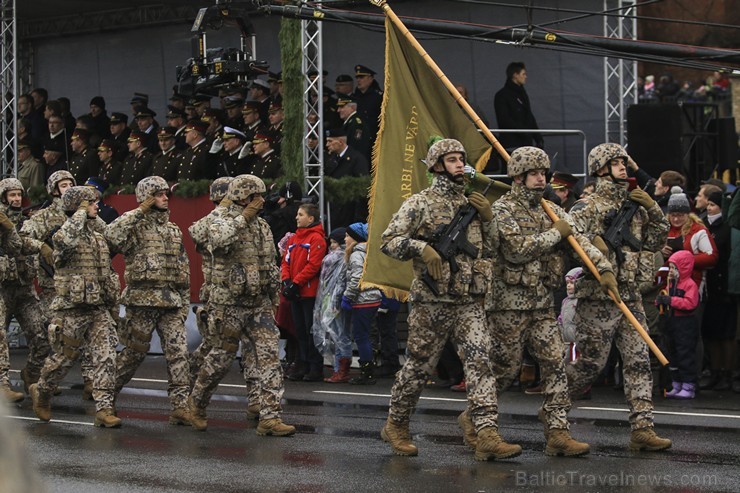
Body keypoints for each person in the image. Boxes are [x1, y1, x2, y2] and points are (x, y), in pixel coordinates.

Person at [380, 138, 520, 460]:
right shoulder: (421, 203)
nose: (460, 164)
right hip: (432, 300)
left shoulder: (472, 203)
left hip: (468, 301)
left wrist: (489, 219)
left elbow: (498, 247)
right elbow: (389, 241)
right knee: (418, 367)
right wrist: (421, 248)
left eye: (462, 158)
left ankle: (486, 433)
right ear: (437, 166)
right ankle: (396, 424)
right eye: (453, 160)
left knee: (481, 362)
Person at [488, 146, 614, 457]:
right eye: (533, 173)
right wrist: (554, 235)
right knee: (505, 369)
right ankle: (479, 422)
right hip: (508, 305)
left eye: (543, 173)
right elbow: (516, 250)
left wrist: (603, 267)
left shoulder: (552, 210)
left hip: (542, 303)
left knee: (556, 363)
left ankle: (558, 431)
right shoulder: (502, 210)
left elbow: (580, 242)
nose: (540, 178)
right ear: (517, 177)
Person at [566, 143, 672, 451]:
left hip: (630, 295)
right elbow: (573, 243)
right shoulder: (586, 207)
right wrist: (595, 249)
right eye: (616, 163)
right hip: (599, 298)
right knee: (590, 365)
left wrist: (653, 209)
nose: (623, 167)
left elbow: (653, 242)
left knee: (639, 361)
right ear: (600, 169)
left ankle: (643, 427)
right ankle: (555, 412)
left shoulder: (634, 206)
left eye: (624, 162)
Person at [188, 175, 295, 436]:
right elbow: (218, 241)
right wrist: (243, 217)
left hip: (258, 304)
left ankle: (269, 417)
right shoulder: (219, 220)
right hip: (229, 305)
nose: (260, 201)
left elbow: (269, 264)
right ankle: (197, 403)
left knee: (270, 358)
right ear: (243, 197)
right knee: (221, 359)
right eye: (255, 196)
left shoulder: (262, 226)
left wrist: (272, 300)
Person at [29, 186, 121, 427]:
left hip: (97, 307)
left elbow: (114, 236)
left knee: (106, 356)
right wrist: (80, 211)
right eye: (91, 203)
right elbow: (65, 240)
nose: (96, 207)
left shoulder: (96, 234)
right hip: (71, 308)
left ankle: (104, 408)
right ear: (78, 207)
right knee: (64, 358)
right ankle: (42, 391)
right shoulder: (63, 233)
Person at [105, 176, 192, 425]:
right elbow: (111, 236)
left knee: (179, 354)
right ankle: (105, 400)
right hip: (141, 303)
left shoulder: (172, 230)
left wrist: (184, 303)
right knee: (133, 355)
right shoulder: (134, 227)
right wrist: (138, 211)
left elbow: (183, 268)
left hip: (171, 303)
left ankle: (180, 407)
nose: (166, 198)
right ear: (146, 198)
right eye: (159, 194)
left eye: (166, 194)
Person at [281, 203, 327, 382]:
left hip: (309, 293)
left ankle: (315, 367)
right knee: (299, 330)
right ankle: (302, 364)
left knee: (310, 331)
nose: (296, 217)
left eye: (300, 214)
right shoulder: (293, 239)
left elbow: (313, 265)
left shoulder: (317, 239)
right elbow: (286, 261)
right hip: (295, 292)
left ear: (311, 218)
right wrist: (286, 281)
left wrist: (296, 283)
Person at [699, 189, 736, 391]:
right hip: (710, 285)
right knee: (712, 333)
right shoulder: (704, 226)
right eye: (710, 205)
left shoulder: (727, 228)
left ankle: (727, 373)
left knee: (726, 334)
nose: (710, 209)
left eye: (714, 206)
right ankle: (715, 371)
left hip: (724, 286)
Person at [342, 222, 382, 385]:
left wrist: (347, 297)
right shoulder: (368, 253)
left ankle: (367, 373)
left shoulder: (357, 254)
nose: (345, 239)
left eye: (347, 236)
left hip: (362, 300)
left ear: (355, 238)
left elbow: (357, 278)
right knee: (366, 335)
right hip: (373, 298)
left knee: (361, 336)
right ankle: (369, 368)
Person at [656, 250, 700, 399]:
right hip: (672, 321)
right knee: (672, 353)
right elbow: (665, 296)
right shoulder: (671, 284)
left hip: (685, 323)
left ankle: (689, 384)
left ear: (684, 268)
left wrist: (671, 301)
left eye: (675, 268)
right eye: (671, 268)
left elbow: (691, 303)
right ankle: (676, 383)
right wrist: (660, 301)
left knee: (685, 353)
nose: (672, 271)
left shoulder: (690, 285)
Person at [661, 189, 718, 299]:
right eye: (673, 215)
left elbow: (712, 257)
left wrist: (685, 260)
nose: (676, 219)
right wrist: (661, 253)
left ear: (688, 214)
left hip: (693, 287)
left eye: (680, 215)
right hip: (667, 287)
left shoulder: (698, 230)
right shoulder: (663, 230)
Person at [314, 227, 351, 383]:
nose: (332, 246)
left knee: (340, 335)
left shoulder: (338, 259)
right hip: (334, 300)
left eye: (335, 242)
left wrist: (334, 301)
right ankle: (338, 369)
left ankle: (341, 370)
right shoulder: (340, 258)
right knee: (338, 335)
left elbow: (340, 283)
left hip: (336, 301)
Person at [494, 62, 543, 151]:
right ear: (515, 75)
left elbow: (529, 115)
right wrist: (523, 131)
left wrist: (538, 137)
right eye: (523, 74)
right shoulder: (502, 95)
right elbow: (504, 119)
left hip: (526, 143)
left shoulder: (523, 94)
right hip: (511, 144)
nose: (526, 77)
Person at [558, 267, 584, 364]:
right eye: (567, 283)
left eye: (572, 283)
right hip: (567, 342)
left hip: (577, 342)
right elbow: (562, 317)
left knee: (575, 364)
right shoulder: (565, 301)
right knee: (566, 362)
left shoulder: (581, 301)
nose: (568, 286)